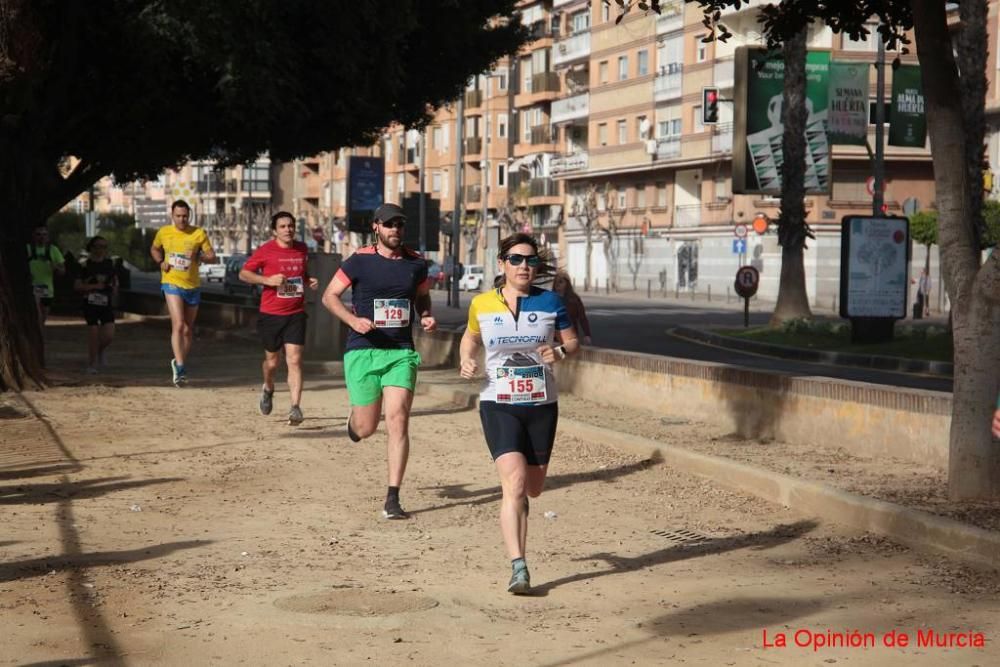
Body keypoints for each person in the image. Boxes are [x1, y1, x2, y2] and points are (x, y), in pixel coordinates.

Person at [459, 233, 579, 594]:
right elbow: (470, 337)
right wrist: (466, 357)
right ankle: (519, 567)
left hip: (542, 404)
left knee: (533, 487)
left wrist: (558, 352)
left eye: (529, 260)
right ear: (502, 264)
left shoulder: (552, 302)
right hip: (498, 402)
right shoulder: (482, 303)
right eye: (515, 259)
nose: (523, 266)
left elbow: (573, 342)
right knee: (512, 484)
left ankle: (522, 517)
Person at [321, 203, 437, 520]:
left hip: (401, 351)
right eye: (389, 225)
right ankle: (354, 423)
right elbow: (329, 296)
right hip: (363, 350)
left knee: (398, 418)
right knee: (367, 427)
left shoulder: (416, 264)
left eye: (400, 225)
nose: (395, 230)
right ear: (376, 227)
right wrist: (352, 320)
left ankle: (393, 498)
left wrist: (425, 315)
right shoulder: (359, 260)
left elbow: (422, 295)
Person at [239, 212, 318, 426]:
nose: (288, 229)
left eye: (290, 225)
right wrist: (267, 280)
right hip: (271, 314)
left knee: (295, 359)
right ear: (275, 230)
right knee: (272, 363)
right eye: (282, 226)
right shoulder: (266, 250)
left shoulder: (301, 249)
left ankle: (295, 407)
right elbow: (244, 274)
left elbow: (302, 274)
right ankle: (268, 387)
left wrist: (308, 280)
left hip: (295, 313)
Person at [150, 200, 217, 386]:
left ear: (190, 215)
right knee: (178, 325)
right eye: (178, 216)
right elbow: (154, 249)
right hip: (171, 282)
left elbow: (212, 256)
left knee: (188, 329)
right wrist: (160, 261)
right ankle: (180, 368)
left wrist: (200, 256)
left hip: (192, 285)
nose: (182, 219)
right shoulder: (164, 232)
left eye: (185, 216)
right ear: (172, 215)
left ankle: (178, 361)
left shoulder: (198, 233)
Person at [74, 236, 118, 374]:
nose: (100, 250)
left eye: (104, 247)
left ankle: (99, 351)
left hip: (106, 303)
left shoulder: (110, 264)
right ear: (91, 248)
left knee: (109, 335)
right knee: (93, 333)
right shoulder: (84, 265)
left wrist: (114, 289)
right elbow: (77, 286)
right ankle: (91, 364)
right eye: (98, 246)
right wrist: (94, 286)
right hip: (90, 303)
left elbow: (114, 281)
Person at [27, 225, 66, 353]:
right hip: (31, 287)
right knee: (37, 315)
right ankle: (38, 342)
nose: (41, 237)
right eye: (38, 234)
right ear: (33, 236)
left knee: (42, 317)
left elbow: (62, 271)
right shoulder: (28, 249)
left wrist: (55, 267)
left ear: (48, 237)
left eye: (44, 235)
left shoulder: (53, 250)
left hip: (47, 289)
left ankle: (38, 341)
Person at [551, 271, 592, 345]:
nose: (557, 285)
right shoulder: (550, 298)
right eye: (555, 282)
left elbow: (582, 317)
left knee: (568, 354)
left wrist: (587, 334)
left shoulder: (574, 299)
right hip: (553, 337)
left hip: (570, 336)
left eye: (560, 282)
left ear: (567, 283)